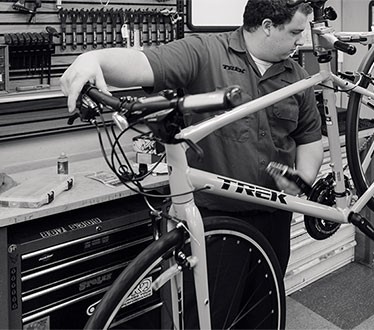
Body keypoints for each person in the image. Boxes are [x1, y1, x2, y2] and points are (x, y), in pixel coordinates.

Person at [61, 0, 324, 327]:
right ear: (268, 25)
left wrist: (302, 178)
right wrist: (92, 59)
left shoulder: (298, 77)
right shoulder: (205, 52)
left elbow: (309, 138)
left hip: (273, 218)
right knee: (208, 319)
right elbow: (145, 62)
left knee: (263, 316)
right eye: (296, 31)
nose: (302, 40)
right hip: (215, 223)